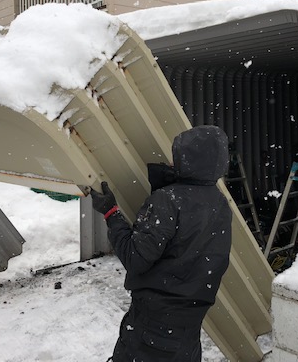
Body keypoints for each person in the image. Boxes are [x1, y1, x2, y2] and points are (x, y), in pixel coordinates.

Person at [91, 125, 232, 362]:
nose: (171, 160)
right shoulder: (220, 203)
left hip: (151, 330)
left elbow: (136, 258)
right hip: (188, 332)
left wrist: (111, 213)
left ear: (189, 159)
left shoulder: (168, 199)